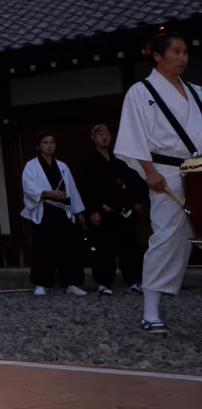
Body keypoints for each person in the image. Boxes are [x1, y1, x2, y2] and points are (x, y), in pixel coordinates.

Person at [114, 31, 202, 335]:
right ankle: (151, 312)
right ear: (157, 56)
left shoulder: (197, 92)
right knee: (167, 239)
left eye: (185, 52)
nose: (182, 58)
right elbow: (133, 135)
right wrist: (149, 171)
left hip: (199, 171)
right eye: (176, 52)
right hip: (167, 173)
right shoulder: (141, 91)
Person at [79, 124, 147, 296]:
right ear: (93, 138)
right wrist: (93, 210)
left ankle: (133, 280)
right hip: (101, 211)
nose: (104, 136)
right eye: (100, 133)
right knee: (103, 248)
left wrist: (133, 201)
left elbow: (135, 183)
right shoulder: (88, 161)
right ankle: (104, 283)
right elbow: (85, 188)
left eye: (106, 133)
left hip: (122, 210)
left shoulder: (118, 163)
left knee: (129, 247)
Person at [21, 132, 88, 296]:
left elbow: (72, 188)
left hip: (62, 211)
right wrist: (49, 193)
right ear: (38, 147)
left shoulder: (63, 166)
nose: (49, 145)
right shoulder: (31, 166)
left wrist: (78, 211)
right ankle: (41, 284)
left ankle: (71, 283)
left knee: (68, 247)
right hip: (44, 209)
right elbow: (29, 187)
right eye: (45, 143)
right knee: (43, 248)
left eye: (52, 142)